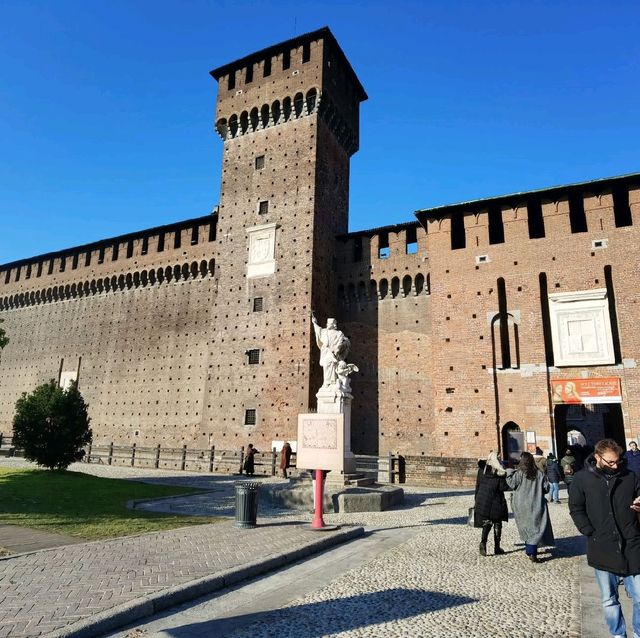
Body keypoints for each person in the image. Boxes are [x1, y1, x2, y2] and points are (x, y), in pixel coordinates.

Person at [569, 439, 640, 638]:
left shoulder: (629, 476)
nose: (615, 466)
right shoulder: (582, 478)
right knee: (609, 599)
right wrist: (588, 530)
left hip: (632, 543)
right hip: (602, 546)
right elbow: (576, 507)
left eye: (617, 461)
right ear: (598, 457)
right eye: (610, 462)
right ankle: (618, 635)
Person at [506, 451, 554, 563]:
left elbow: (512, 484)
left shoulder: (519, 473)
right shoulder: (540, 474)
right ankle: (531, 551)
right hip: (536, 504)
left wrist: (509, 472)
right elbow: (546, 488)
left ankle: (531, 551)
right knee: (536, 527)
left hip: (521, 505)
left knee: (527, 528)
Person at [474, 451, 509, 556]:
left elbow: (478, 484)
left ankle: (483, 543)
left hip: (483, 499)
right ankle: (497, 547)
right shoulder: (500, 472)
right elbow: (503, 487)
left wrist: (476, 499)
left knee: (487, 522)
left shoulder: (482, 470)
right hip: (496, 500)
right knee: (497, 523)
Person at [311, 312, 351, 388]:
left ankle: (333, 382)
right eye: (328, 323)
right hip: (325, 352)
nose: (327, 324)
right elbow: (318, 330)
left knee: (333, 367)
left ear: (333, 324)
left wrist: (337, 348)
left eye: (329, 323)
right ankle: (326, 382)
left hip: (334, 353)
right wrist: (314, 322)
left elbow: (343, 341)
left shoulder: (338, 333)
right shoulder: (324, 331)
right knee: (326, 367)